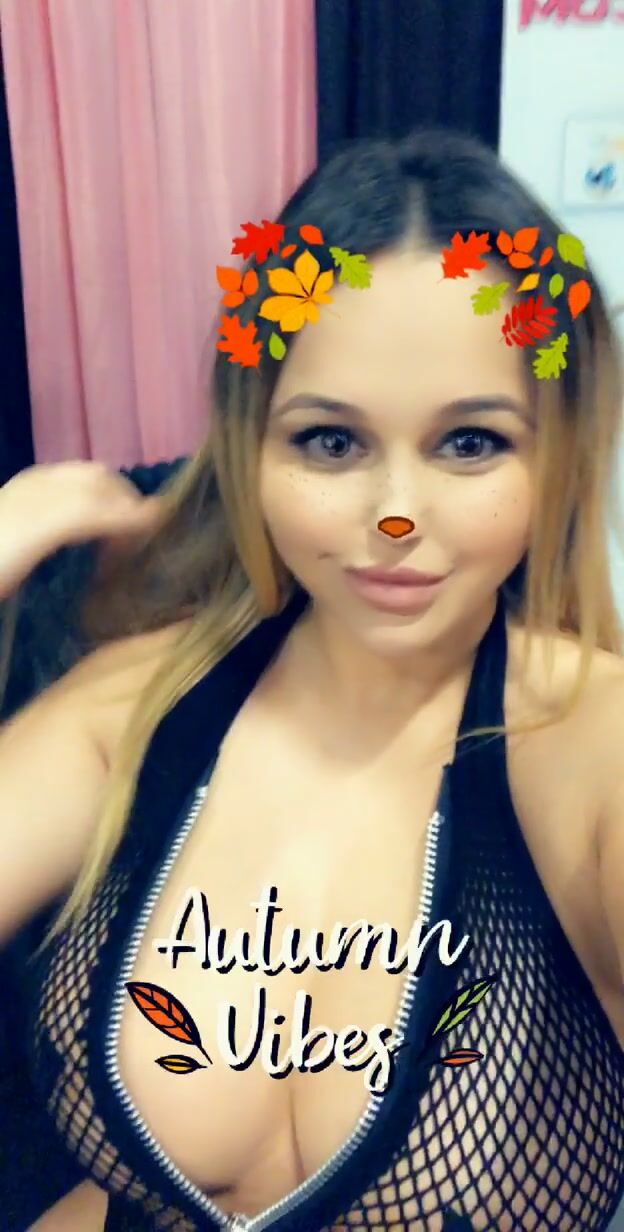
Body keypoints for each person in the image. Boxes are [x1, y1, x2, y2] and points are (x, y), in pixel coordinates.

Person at [1, 125, 623, 1232]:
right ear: (253, 446)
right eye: (332, 442)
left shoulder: (592, 745)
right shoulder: (133, 713)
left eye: (470, 443)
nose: (396, 516)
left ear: (557, 452)